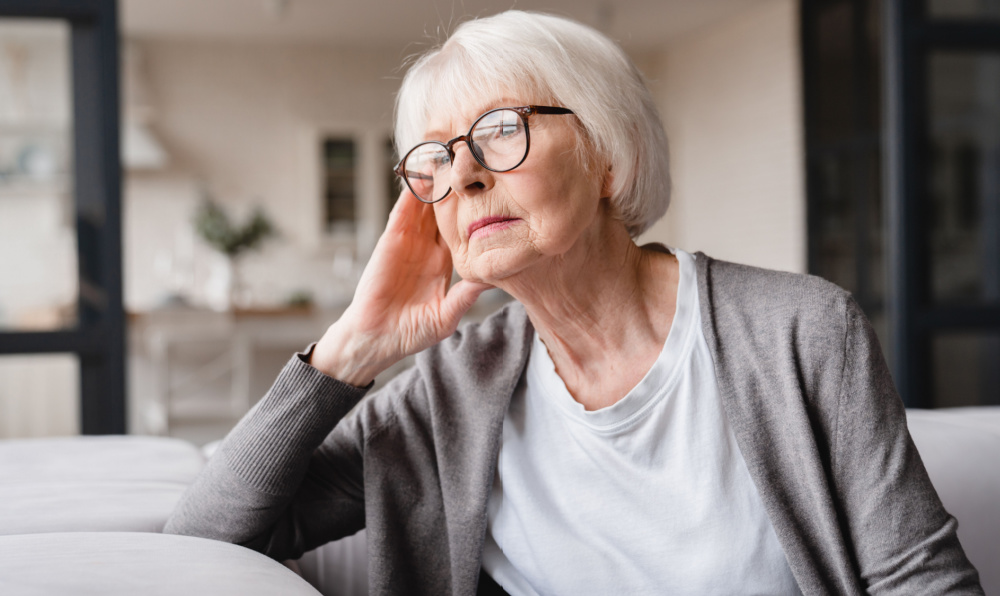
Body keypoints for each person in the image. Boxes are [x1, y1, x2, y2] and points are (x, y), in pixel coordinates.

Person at [164, 10, 983, 595]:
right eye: (438, 158)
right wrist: (351, 350)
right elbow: (202, 542)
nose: (468, 174)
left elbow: (923, 582)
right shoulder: (449, 390)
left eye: (500, 130)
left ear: (606, 157)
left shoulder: (802, 331)